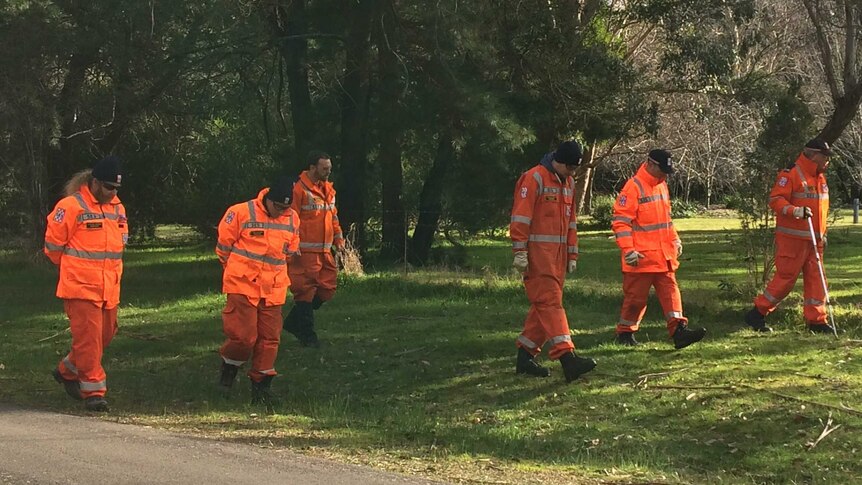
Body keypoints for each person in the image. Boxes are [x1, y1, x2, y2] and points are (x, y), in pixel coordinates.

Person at [45, 155, 128, 412]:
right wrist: (74, 270)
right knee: (89, 340)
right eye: (107, 187)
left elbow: (120, 243)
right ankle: (93, 392)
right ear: (94, 183)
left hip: (109, 286)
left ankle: (66, 370)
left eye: (115, 189)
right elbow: (52, 248)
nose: (111, 193)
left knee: (105, 335)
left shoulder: (117, 208)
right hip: (80, 287)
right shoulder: (71, 206)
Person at [509, 141, 597, 383]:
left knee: (544, 307)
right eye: (571, 168)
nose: (573, 174)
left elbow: (571, 222)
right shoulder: (533, 179)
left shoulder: (567, 182)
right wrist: (519, 250)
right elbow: (520, 217)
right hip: (537, 258)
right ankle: (568, 358)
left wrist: (572, 253)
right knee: (550, 304)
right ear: (560, 161)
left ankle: (525, 356)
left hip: (557, 259)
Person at [215, 175, 301, 405]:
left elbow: (290, 253)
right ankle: (229, 367)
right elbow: (223, 248)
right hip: (243, 285)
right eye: (278, 206)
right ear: (268, 199)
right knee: (243, 338)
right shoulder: (240, 212)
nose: (281, 211)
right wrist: (235, 271)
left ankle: (261, 388)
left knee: (269, 340)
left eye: (286, 207)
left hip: (273, 289)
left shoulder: (292, 218)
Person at [610, 149, 706, 348]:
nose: (664, 175)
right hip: (640, 258)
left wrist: (675, 239)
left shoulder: (661, 186)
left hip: (664, 256)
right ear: (650, 164)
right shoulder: (633, 188)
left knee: (671, 292)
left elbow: (666, 220)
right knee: (636, 300)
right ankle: (625, 332)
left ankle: (679, 330)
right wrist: (628, 250)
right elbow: (621, 223)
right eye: (661, 170)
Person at [744, 138, 833, 333]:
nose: (827, 161)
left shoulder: (820, 178)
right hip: (793, 240)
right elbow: (776, 200)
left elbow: (822, 210)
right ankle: (757, 312)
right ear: (813, 154)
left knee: (817, 280)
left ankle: (817, 321)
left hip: (814, 239)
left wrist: (822, 234)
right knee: (785, 280)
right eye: (824, 157)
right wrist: (795, 211)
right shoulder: (791, 174)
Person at [283, 151, 344, 347]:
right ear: (312, 167)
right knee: (305, 291)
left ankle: (293, 322)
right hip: (304, 252)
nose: (328, 172)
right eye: (324, 168)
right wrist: (292, 245)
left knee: (327, 288)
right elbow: (289, 219)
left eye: (329, 168)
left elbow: (333, 218)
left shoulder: (328, 190)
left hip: (325, 252)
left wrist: (339, 240)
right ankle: (307, 335)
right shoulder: (298, 190)